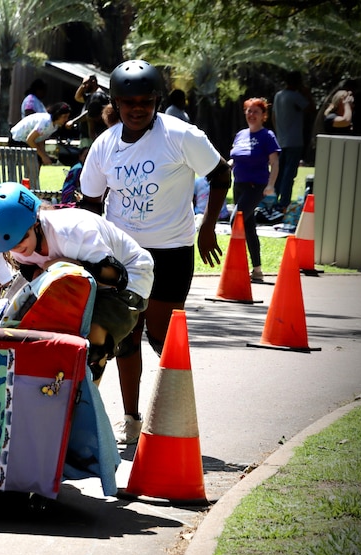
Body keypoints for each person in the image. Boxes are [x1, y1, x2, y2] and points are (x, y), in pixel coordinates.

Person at [78, 59, 231, 444]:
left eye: (146, 101)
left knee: (162, 337)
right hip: (123, 256)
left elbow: (220, 174)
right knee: (125, 337)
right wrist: (89, 251)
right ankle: (130, 418)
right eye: (128, 102)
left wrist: (207, 227)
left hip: (170, 252)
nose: (137, 109)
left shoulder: (180, 136)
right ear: (116, 101)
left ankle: (175, 415)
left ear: (157, 101)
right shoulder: (105, 145)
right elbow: (92, 204)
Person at [0, 182, 154, 382]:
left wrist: (64, 264)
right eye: (11, 247)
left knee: (92, 349)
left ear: (35, 223)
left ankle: (83, 402)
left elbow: (116, 277)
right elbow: (33, 274)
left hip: (130, 277)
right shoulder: (20, 246)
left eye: (22, 240)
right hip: (80, 282)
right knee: (48, 341)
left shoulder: (72, 233)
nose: (18, 250)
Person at [229, 97, 280, 283]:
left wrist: (270, 185)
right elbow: (236, 159)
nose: (251, 115)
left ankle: (236, 267)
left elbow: (274, 162)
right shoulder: (241, 135)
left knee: (236, 221)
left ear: (263, 116)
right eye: (249, 111)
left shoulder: (267, 136)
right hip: (239, 185)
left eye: (256, 112)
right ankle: (257, 270)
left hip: (256, 186)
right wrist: (224, 167)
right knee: (249, 228)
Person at [272, 71, 315, 212]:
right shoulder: (296, 97)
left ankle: (273, 200)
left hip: (280, 139)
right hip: (295, 141)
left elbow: (273, 117)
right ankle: (284, 203)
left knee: (278, 173)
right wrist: (307, 93)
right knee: (289, 174)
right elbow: (311, 108)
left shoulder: (278, 96)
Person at [8, 102, 72, 167]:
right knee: (34, 165)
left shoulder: (55, 126)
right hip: (17, 139)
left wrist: (44, 155)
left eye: (67, 117)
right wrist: (43, 156)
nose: (66, 119)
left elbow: (41, 139)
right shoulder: (46, 122)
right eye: (64, 117)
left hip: (27, 141)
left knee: (37, 162)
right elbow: (30, 140)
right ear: (57, 115)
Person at [66, 75, 110, 141]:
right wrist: (83, 85)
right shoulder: (91, 95)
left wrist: (73, 121)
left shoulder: (97, 95)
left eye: (86, 83)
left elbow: (90, 112)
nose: (84, 86)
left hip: (92, 136)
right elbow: (77, 97)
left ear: (93, 82)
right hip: (87, 136)